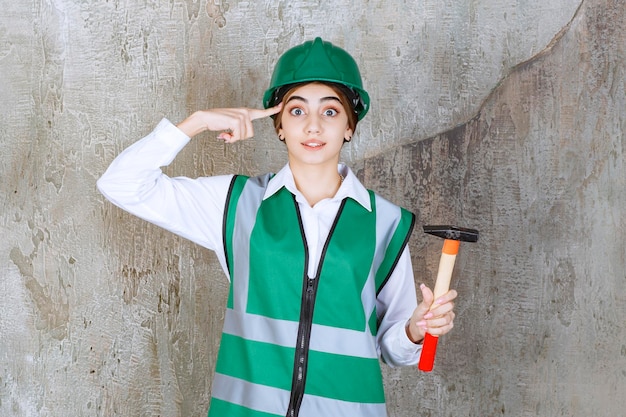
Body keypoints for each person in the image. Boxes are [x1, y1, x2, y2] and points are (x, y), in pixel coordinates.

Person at [97, 37, 457, 417]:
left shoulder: (386, 222)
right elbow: (120, 184)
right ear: (280, 125)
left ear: (350, 126)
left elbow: (391, 350)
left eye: (331, 112)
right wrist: (197, 122)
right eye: (297, 111)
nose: (314, 126)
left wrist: (415, 329)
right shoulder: (236, 204)